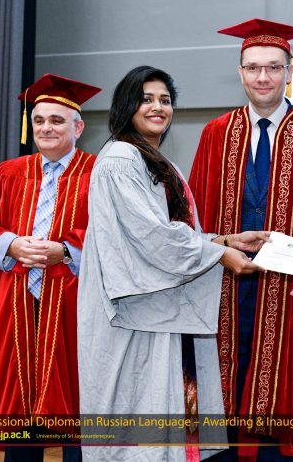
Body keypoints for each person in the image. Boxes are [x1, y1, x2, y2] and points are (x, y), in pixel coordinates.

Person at [76, 66, 269, 462]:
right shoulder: (120, 159)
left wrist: (223, 240)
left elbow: (172, 232)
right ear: (127, 105)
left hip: (162, 310)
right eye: (146, 99)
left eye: (165, 100)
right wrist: (221, 255)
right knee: (137, 418)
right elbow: (153, 238)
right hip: (134, 313)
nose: (158, 107)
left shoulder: (157, 162)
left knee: (167, 415)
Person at [188, 19, 293, 461]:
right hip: (223, 283)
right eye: (253, 68)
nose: (263, 77)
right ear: (240, 72)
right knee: (221, 384)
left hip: (292, 286)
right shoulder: (216, 132)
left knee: (278, 391)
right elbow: (195, 213)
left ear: (290, 72)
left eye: (274, 67)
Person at [0, 73, 101, 462]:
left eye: (57, 120)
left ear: (78, 127)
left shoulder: (100, 173)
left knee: (78, 401)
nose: (46, 128)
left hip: (74, 302)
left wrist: (67, 250)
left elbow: (114, 234)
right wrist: (10, 244)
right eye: (39, 120)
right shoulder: (8, 172)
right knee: (18, 404)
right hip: (16, 301)